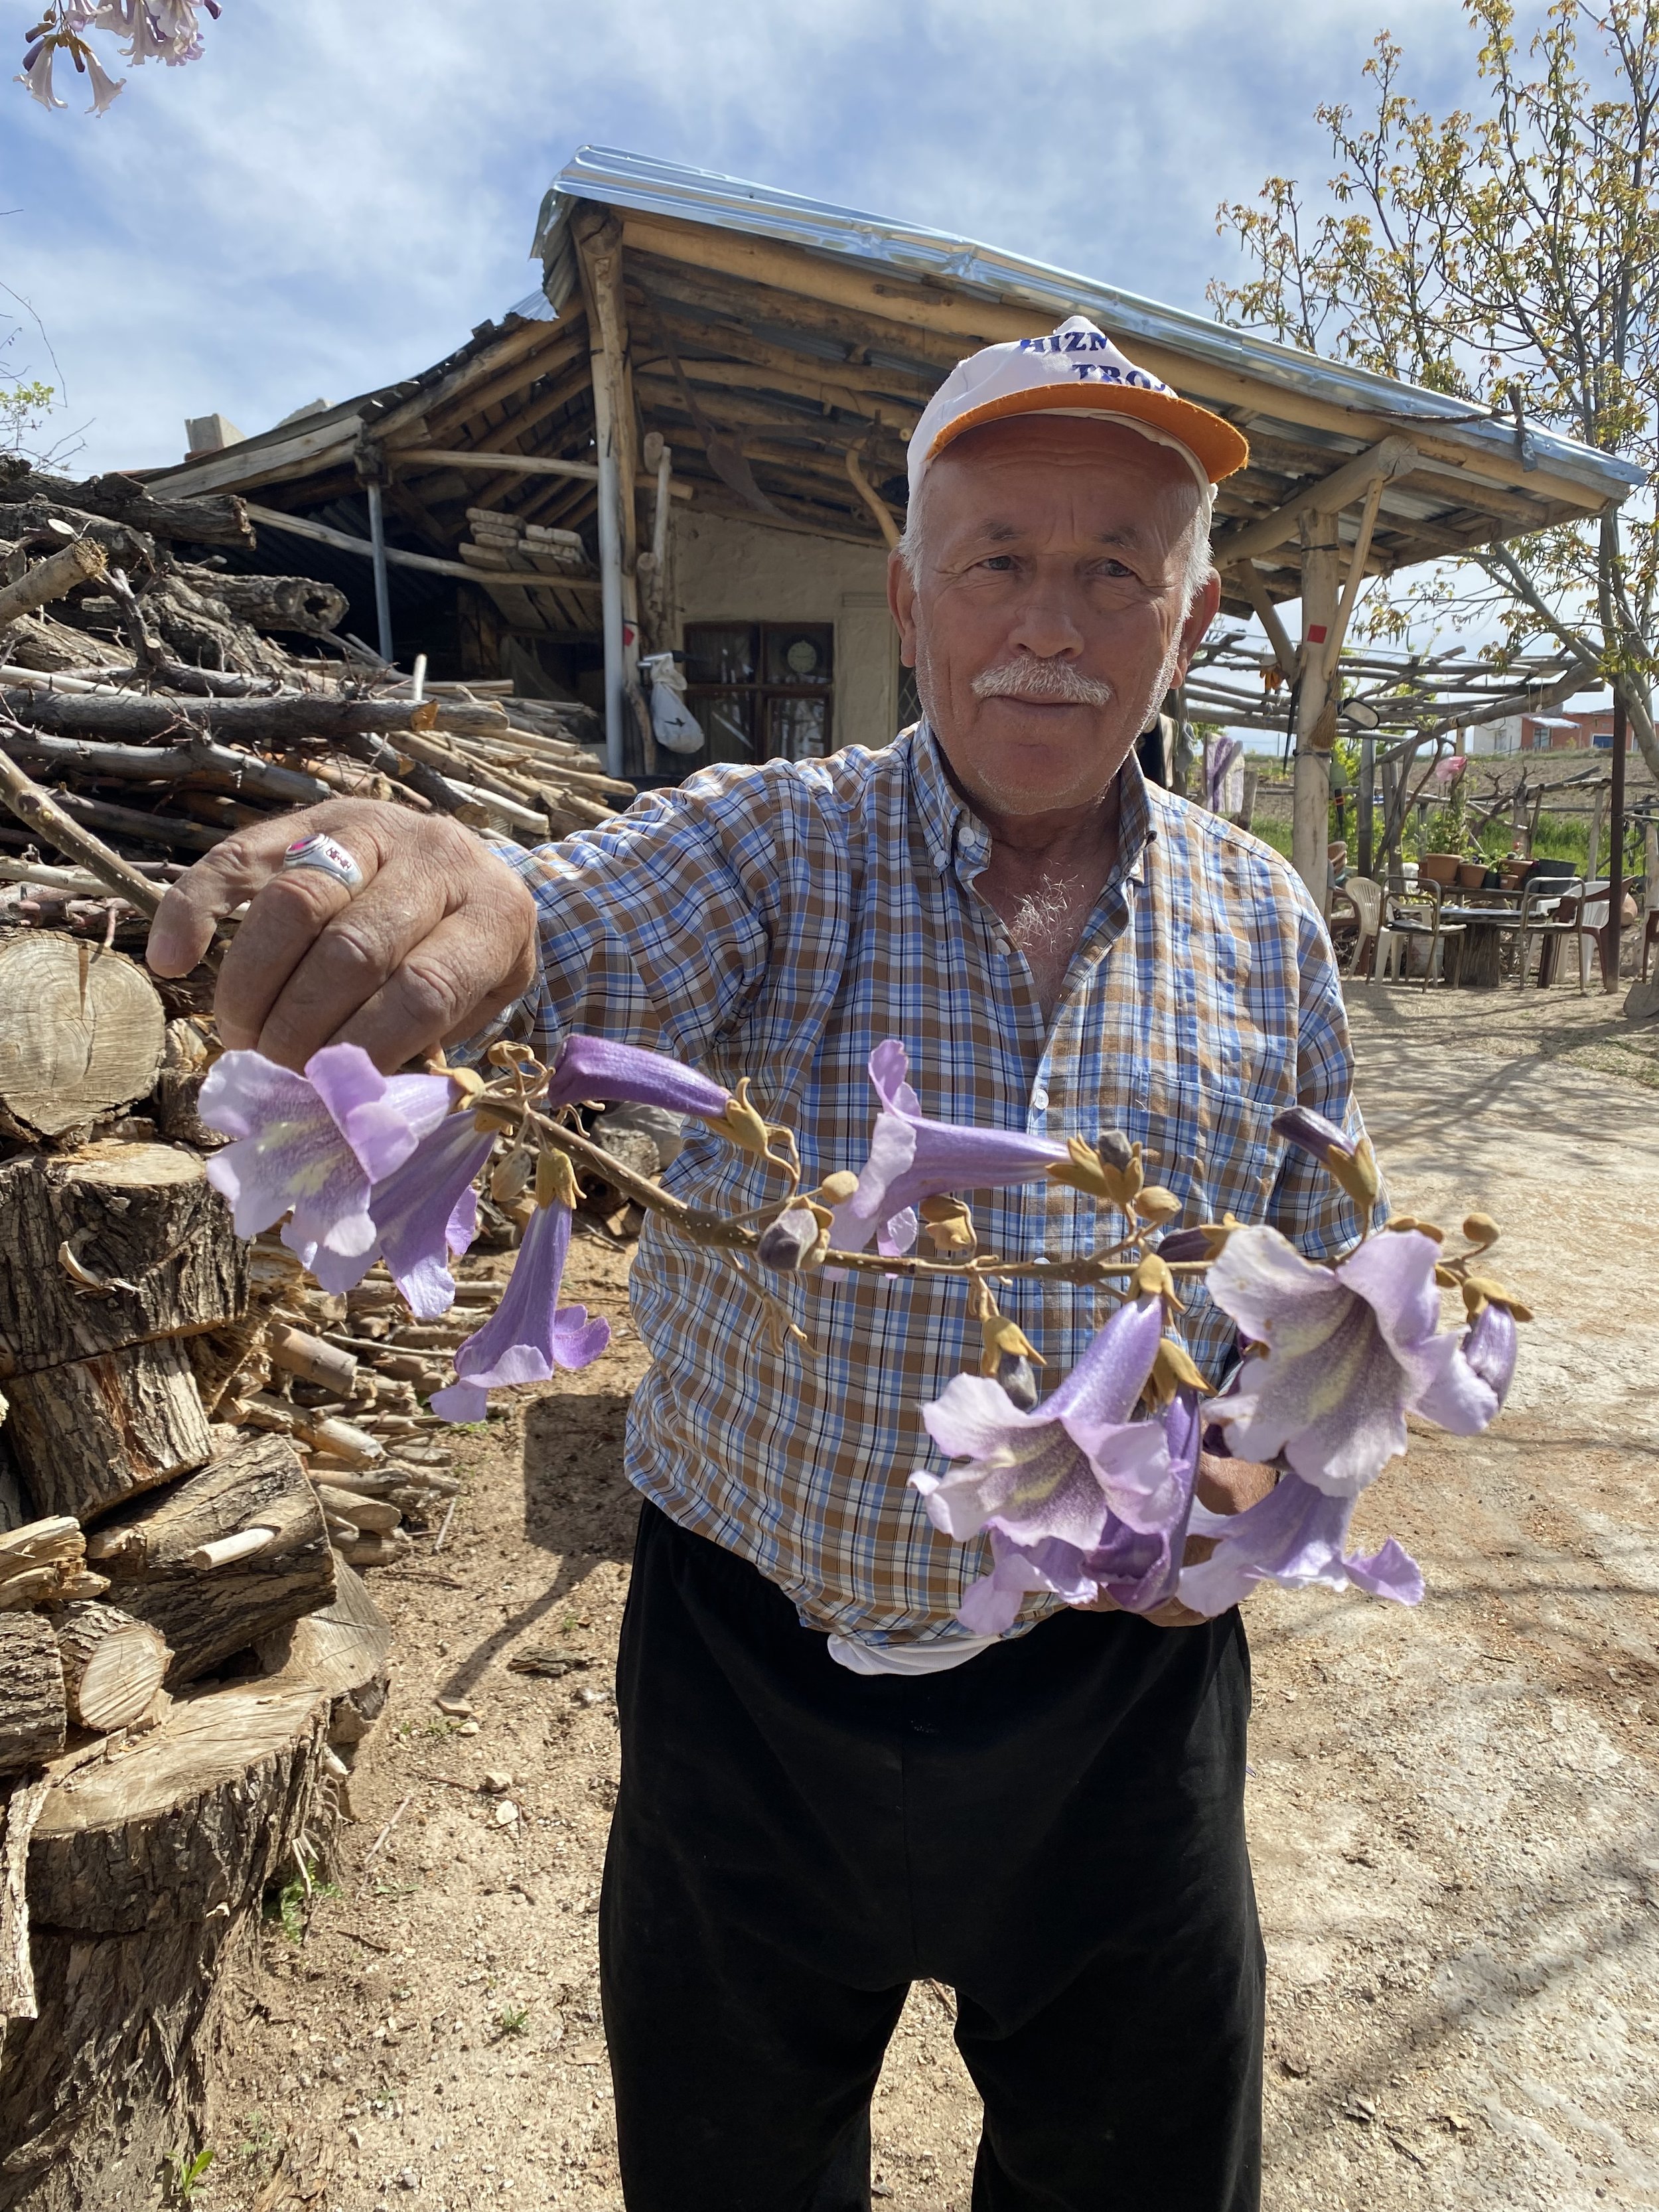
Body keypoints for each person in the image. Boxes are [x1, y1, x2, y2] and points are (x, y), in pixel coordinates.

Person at [148, 315, 1376, 2212]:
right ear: (906, 594)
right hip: (752, 1690)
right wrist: (425, 883)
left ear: (1188, 623)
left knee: (1136, 2172)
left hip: (1120, 1709)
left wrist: (1267, 1471)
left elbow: (1337, 1282)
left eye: (1113, 570)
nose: (1049, 619)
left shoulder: (1264, 925)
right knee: (732, 2175)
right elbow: (546, 920)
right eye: (996, 562)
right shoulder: (779, 851)